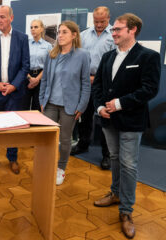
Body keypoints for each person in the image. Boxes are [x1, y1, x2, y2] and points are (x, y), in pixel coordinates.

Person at [93, 13, 160, 239]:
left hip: (131, 120)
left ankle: (126, 211)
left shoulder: (148, 56)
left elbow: (150, 89)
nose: (113, 33)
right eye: (113, 30)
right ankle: (115, 193)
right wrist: (100, 107)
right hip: (108, 119)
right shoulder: (108, 56)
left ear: (132, 30)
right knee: (114, 158)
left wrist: (119, 104)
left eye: (118, 29)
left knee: (129, 164)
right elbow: (98, 86)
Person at [39, 20, 91, 185]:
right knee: (47, 138)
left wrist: (82, 106)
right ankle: (47, 165)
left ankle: (61, 169)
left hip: (70, 106)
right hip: (50, 104)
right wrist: (42, 100)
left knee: (66, 139)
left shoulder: (82, 55)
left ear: (74, 35)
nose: (60, 35)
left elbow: (85, 84)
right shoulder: (51, 54)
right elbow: (45, 80)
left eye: (64, 32)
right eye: (59, 32)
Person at [0, 5, 30, 174]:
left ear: (11, 18)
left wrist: (13, 85)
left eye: (2, 17)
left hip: (15, 92)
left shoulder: (22, 38)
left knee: (13, 127)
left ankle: (12, 158)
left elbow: (25, 66)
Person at [71, 6, 115, 170]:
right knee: (85, 115)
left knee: (105, 119)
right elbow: (77, 57)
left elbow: (115, 62)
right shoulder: (84, 35)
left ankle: (107, 154)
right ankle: (83, 144)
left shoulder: (114, 35)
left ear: (109, 18)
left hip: (105, 84)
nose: (98, 24)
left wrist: (95, 78)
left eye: (102, 21)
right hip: (85, 82)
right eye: (96, 21)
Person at [22, 19, 52, 111]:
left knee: (37, 106)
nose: (33, 29)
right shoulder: (26, 43)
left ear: (42, 29)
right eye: (31, 27)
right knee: (24, 106)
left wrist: (37, 79)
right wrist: (30, 78)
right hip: (26, 76)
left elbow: (48, 65)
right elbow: (21, 62)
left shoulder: (48, 46)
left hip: (41, 77)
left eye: (36, 27)